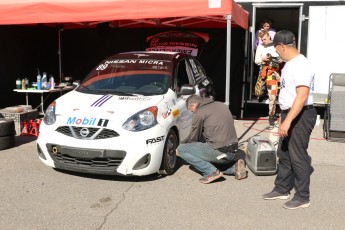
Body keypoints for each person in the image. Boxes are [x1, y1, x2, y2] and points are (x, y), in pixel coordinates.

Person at [262, 30, 317, 210]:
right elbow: (289, 94)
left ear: (282, 46)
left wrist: (288, 121)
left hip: (301, 115)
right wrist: (282, 116)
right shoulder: (289, 64)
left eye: (277, 49)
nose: (277, 53)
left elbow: (302, 96)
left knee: (297, 155)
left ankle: (302, 197)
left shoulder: (301, 65)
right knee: (284, 153)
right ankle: (282, 188)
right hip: (290, 113)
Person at [176, 95, 247, 184]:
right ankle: (235, 169)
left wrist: (186, 146)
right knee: (206, 161)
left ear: (193, 106)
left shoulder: (199, 113)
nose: (192, 112)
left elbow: (194, 138)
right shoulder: (221, 105)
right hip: (233, 150)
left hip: (221, 151)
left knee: (181, 149)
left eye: (191, 110)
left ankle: (211, 172)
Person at [254, 30, 282, 128]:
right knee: (259, 93)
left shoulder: (276, 46)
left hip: (273, 73)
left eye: (265, 39)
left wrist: (277, 59)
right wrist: (263, 59)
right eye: (261, 39)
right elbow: (256, 60)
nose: (263, 41)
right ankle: (262, 96)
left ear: (269, 37)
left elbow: (282, 58)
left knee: (272, 96)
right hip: (263, 73)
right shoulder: (260, 47)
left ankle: (271, 117)